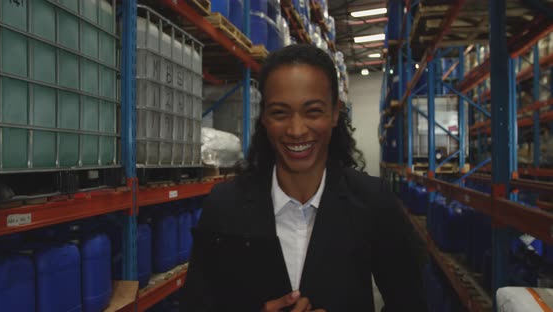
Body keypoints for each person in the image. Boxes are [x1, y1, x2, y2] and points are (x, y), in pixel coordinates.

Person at [181, 44, 427, 311]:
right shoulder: (224, 205)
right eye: (280, 113)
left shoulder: (374, 202)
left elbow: (411, 302)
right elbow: (197, 304)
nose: (296, 130)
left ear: (335, 113)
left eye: (313, 111)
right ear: (264, 117)